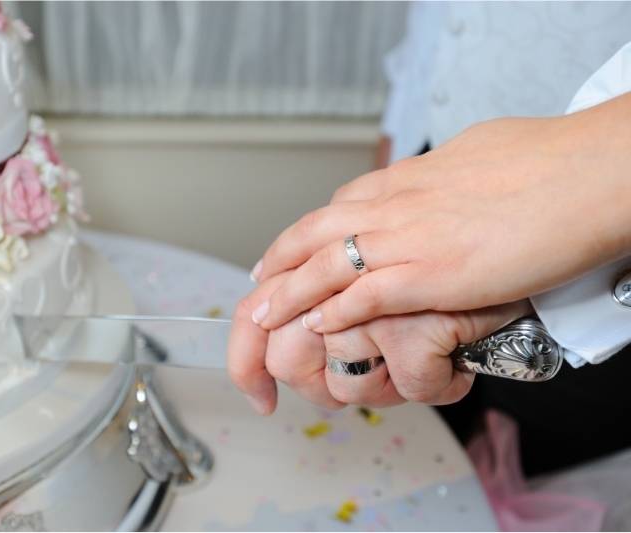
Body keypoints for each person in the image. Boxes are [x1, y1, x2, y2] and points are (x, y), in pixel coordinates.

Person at [228, 3, 631, 476]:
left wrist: (562, 195)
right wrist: (401, 148)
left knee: (554, 459)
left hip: (556, 225)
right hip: (441, 182)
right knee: (429, 438)